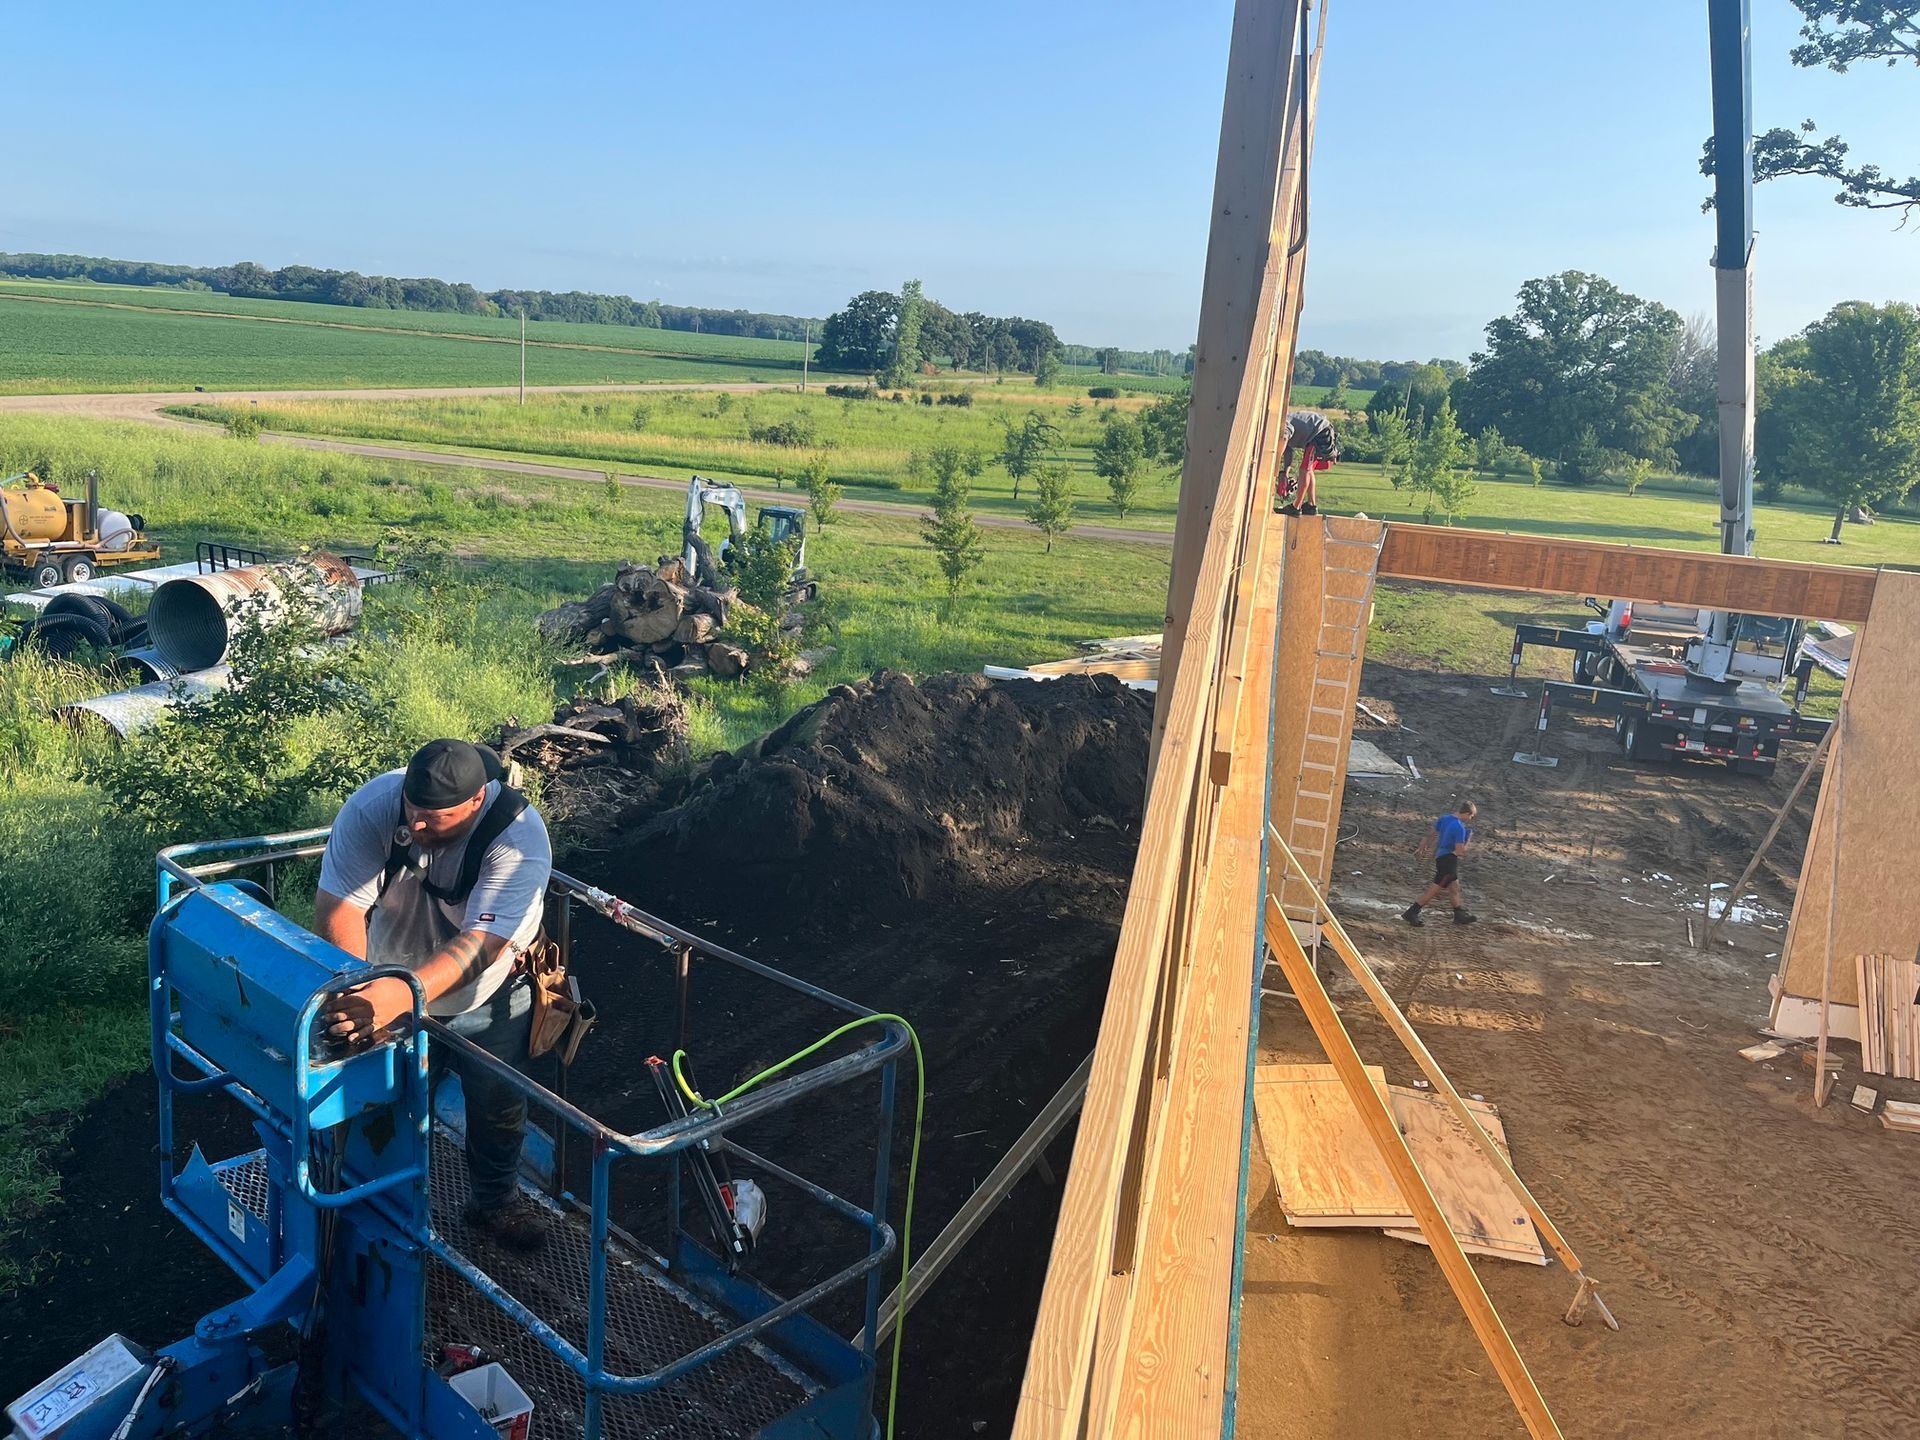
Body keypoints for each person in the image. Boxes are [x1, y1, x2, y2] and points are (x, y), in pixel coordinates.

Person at [315, 738, 554, 1249]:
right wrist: (360, 992)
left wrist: (397, 994)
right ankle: (377, 1206)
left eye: (434, 818)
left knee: (497, 1105)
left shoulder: (518, 840)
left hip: (487, 997)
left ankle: (495, 1202)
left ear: (475, 802)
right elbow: (339, 907)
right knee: (382, 1099)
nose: (417, 826)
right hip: (382, 983)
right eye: (413, 811)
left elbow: (480, 947)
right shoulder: (375, 807)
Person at [1403, 801, 1479, 927]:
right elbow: (1459, 851)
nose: (1470, 819)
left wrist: (1422, 847)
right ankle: (1412, 912)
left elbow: (1430, 834)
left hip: (1441, 857)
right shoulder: (1459, 828)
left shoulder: (1445, 819)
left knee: (1454, 886)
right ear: (1466, 813)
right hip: (1449, 860)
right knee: (1435, 888)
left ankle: (1459, 913)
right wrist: (1468, 842)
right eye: (1471, 816)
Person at [1279, 409, 1339, 516]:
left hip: (1319, 432)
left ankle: (1295, 507)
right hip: (1318, 431)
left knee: (1305, 469)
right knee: (1308, 469)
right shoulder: (1283, 429)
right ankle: (1311, 506)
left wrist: (1274, 463)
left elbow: (1284, 438)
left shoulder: (1283, 423)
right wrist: (1285, 473)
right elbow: (1288, 452)